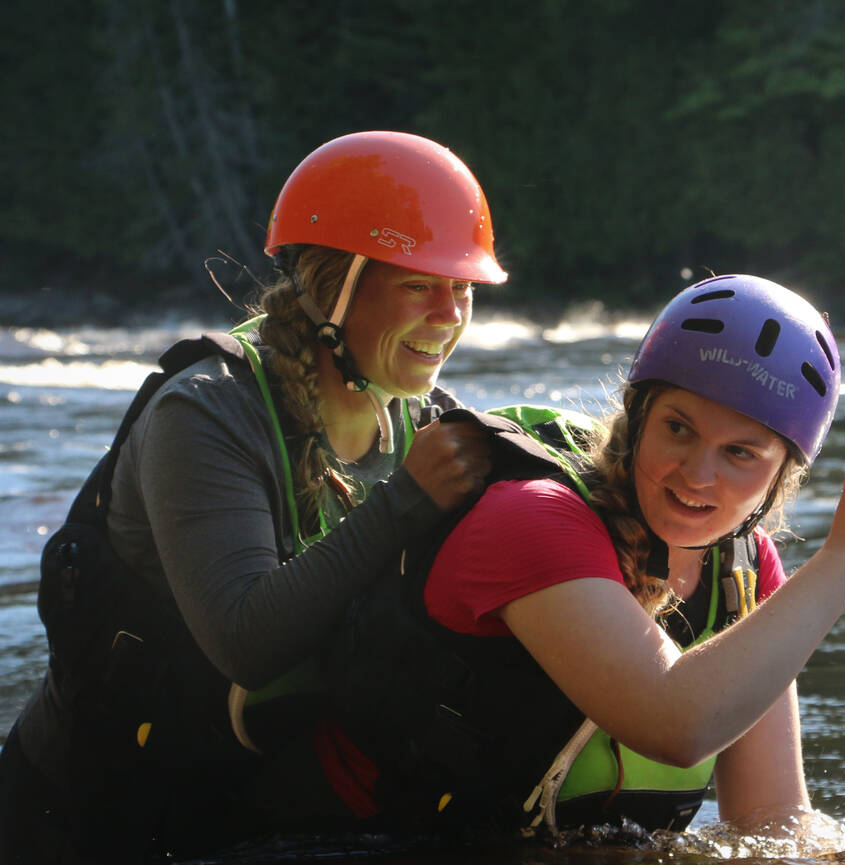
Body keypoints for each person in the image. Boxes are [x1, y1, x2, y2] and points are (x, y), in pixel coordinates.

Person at [0, 130, 505, 862]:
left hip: (249, 813)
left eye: (463, 289)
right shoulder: (204, 412)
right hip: (80, 821)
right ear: (333, 286)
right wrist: (406, 498)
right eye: (419, 283)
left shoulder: (420, 419)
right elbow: (247, 640)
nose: (450, 313)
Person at [313, 274, 845, 842]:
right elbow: (675, 723)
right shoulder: (530, 518)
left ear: (783, 475)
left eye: (740, 453)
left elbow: (772, 820)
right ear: (638, 415)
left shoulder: (745, 570)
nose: (698, 475)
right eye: (678, 429)